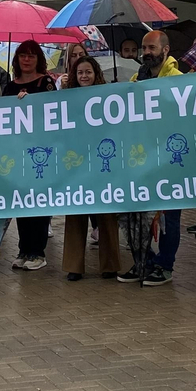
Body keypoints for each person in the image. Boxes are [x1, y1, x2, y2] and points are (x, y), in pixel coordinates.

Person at [122, 30, 185, 286]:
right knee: (137, 213)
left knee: (170, 217)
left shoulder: (179, 80)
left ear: (166, 50)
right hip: (142, 158)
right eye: (144, 48)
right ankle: (143, 262)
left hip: (170, 160)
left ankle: (165, 266)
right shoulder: (137, 78)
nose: (146, 52)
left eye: (152, 48)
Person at [61, 56, 121, 281]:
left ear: (96, 73)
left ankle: (110, 265)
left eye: (88, 72)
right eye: (80, 73)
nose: (84, 76)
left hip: (102, 164)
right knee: (75, 213)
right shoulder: (66, 99)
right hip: (76, 163)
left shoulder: (108, 96)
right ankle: (73, 266)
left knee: (106, 215)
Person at [3, 40, 57, 270]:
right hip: (17, 153)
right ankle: (24, 249)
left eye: (31, 56)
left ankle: (38, 252)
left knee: (39, 202)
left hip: (41, 153)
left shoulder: (45, 83)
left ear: (38, 59)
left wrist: (32, 103)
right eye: (23, 55)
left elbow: (53, 110)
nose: (26, 59)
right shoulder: (9, 87)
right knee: (21, 202)